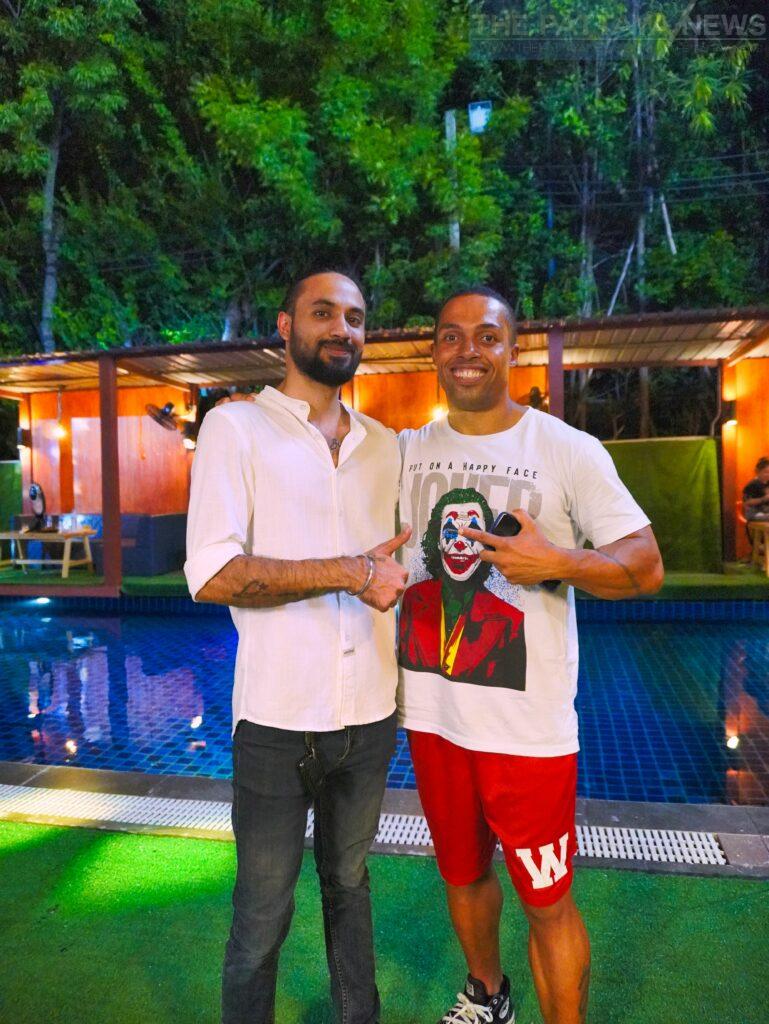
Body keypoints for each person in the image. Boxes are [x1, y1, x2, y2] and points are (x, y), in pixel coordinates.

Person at [397, 286, 664, 1024]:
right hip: (432, 716)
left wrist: (558, 562)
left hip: (527, 733)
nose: (468, 350)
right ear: (434, 352)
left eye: (486, 336)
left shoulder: (565, 449)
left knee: (546, 901)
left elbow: (645, 567)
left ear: (511, 349)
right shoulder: (406, 450)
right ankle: (487, 995)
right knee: (461, 875)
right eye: (451, 336)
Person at [184, 270, 411, 1024]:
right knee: (261, 914)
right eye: (324, 312)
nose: (342, 328)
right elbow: (213, 573)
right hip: (277, 722)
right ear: (285, 327)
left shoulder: (385, 446)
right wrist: (350, 572)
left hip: (371, 715)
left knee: (350, 886)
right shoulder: (236, 429)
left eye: (355, 317)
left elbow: (400, 561)